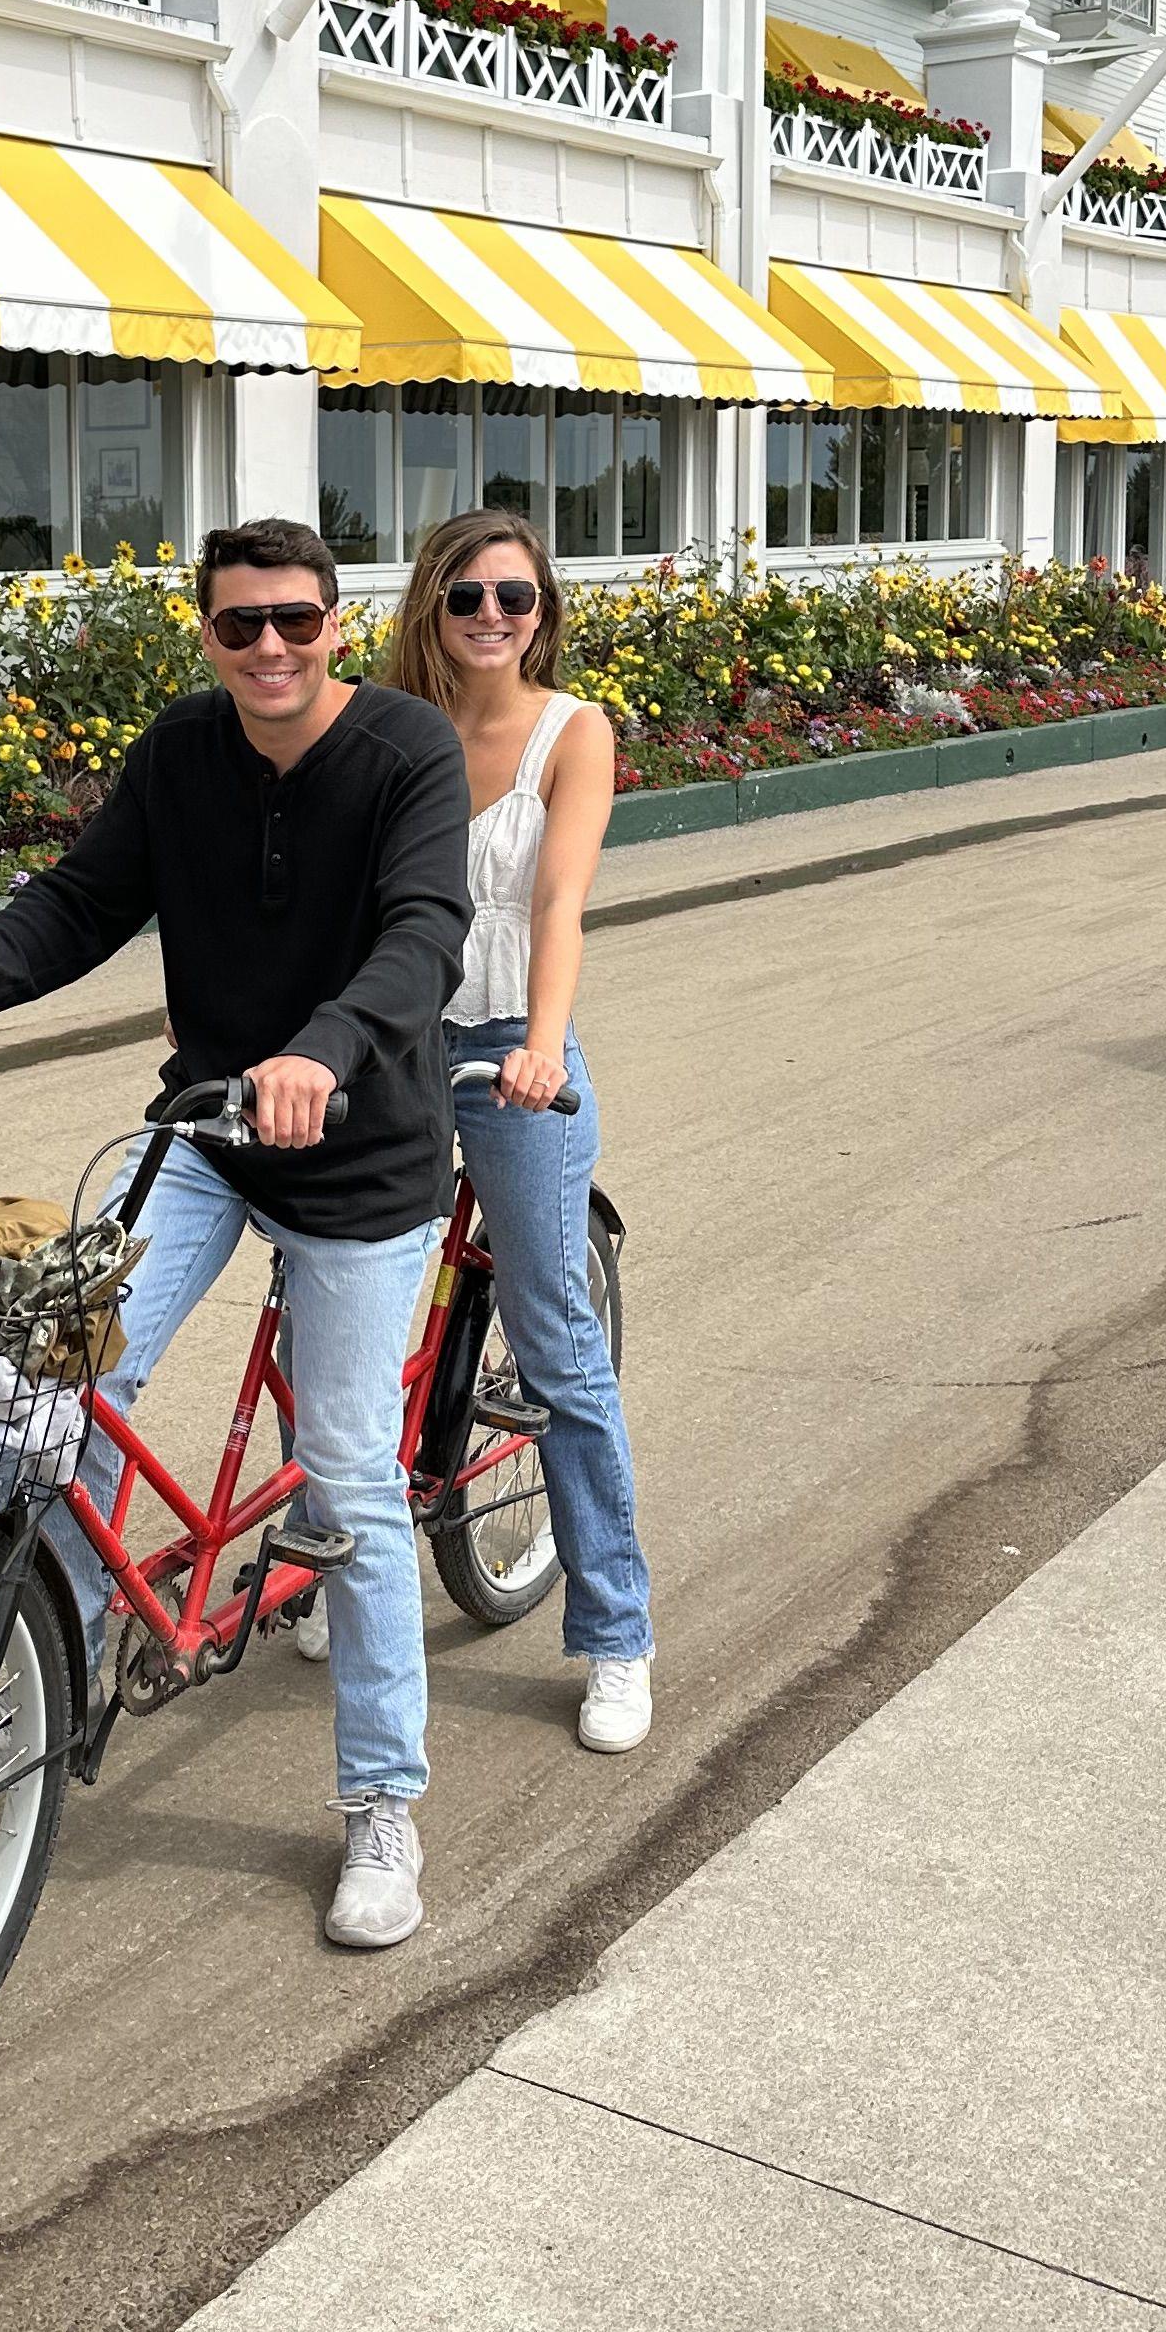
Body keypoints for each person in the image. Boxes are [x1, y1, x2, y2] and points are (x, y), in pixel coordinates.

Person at [0, 517, 472, 1953]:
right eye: (239, 625)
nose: (270, 647)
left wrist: (323, 1050)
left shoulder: (407, 754)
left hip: (364, 1160)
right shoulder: (180, 754)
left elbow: (422, 933)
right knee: (64, 1395)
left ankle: (383, 1804)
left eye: (297, 622)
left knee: (346, 1470)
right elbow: (83, 899)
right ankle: (42, 1693)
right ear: (205, 632)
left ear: (338, 625)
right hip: (205, 1130)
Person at [381, 509, 656, 1754]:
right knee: (338, 1309)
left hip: (507, 1046)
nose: (495, 617)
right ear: (430, 607)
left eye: (518, 597)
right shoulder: (390, 730)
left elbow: (557, 899)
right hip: (389, 1041)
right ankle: (351, 1555)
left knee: (554, 1338)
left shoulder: (572, 730)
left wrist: (542, 1044)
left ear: (543, 611)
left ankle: (615, 1632)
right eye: (469, 598)